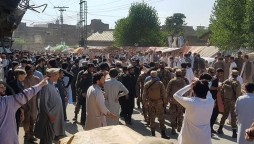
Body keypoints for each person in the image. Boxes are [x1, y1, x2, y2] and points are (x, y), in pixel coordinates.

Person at [0, 77, 48, 144]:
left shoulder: (7, 101)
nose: (4, 89)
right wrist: (40, 85)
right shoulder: (7, 102)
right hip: (6, 139)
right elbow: (25, 95)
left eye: (3, 87)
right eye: (1, 87)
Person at [173, 80, 214, 144]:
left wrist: (190, 86)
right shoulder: (211, 102)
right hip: (205, 139)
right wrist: (202, 85)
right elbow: (208, 92)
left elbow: (176, 95)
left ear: (194, 91)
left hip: (188, 139)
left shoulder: (190, 102)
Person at [34, 68, 66, 144]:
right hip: (49, 118)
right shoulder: (46, 86)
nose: (59, 76)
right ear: (53, 75)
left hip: (53, 117)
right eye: (57, 74)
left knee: (49, 138)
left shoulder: (51, 84)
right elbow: (43, 103)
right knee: (46, 138)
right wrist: (50, 115)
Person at [143, 71, 170, 139]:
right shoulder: (160, 83)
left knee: (152, 118)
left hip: (151, 102)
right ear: (156, 75)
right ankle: (163, 134)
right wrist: (165, 103)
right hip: (159, 102)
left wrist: (145, 103)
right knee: (161, 118)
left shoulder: (147, 84)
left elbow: (144, 95)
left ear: (150, 76)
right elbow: (164, 94)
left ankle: (153, 134)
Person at [217, 70, 242, 138]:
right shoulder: (237, 83)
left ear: (231, 74)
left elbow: (221, 91)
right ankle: (234, 133)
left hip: (226, 100)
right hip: (233, 101)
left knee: (225, 114)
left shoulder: (226, 81)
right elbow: (238, 94)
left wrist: (223, 99)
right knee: (233, 116)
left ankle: (220, 129)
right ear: (237, 75)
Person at [23, 65, 41, 142]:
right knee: (26, 119)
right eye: (28, 71)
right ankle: (26, 134)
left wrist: (38, 102)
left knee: (33, 119)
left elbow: (40, 91)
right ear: (26, 71)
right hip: (25, 102)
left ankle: (31, 134)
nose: (29, 72)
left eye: (30, 70)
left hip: (34, 102)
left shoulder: (37, 79)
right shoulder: (23, 80)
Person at [166, 69, 187, 134]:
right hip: (180, 101)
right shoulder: (183, 81)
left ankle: (173, 128)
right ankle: (179, 127)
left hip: (173, 101)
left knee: (173, 115)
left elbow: (167, 90)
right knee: (180, 115)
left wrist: (168, 98)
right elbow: (185, 91)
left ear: (175, 74)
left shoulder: (172, 81)